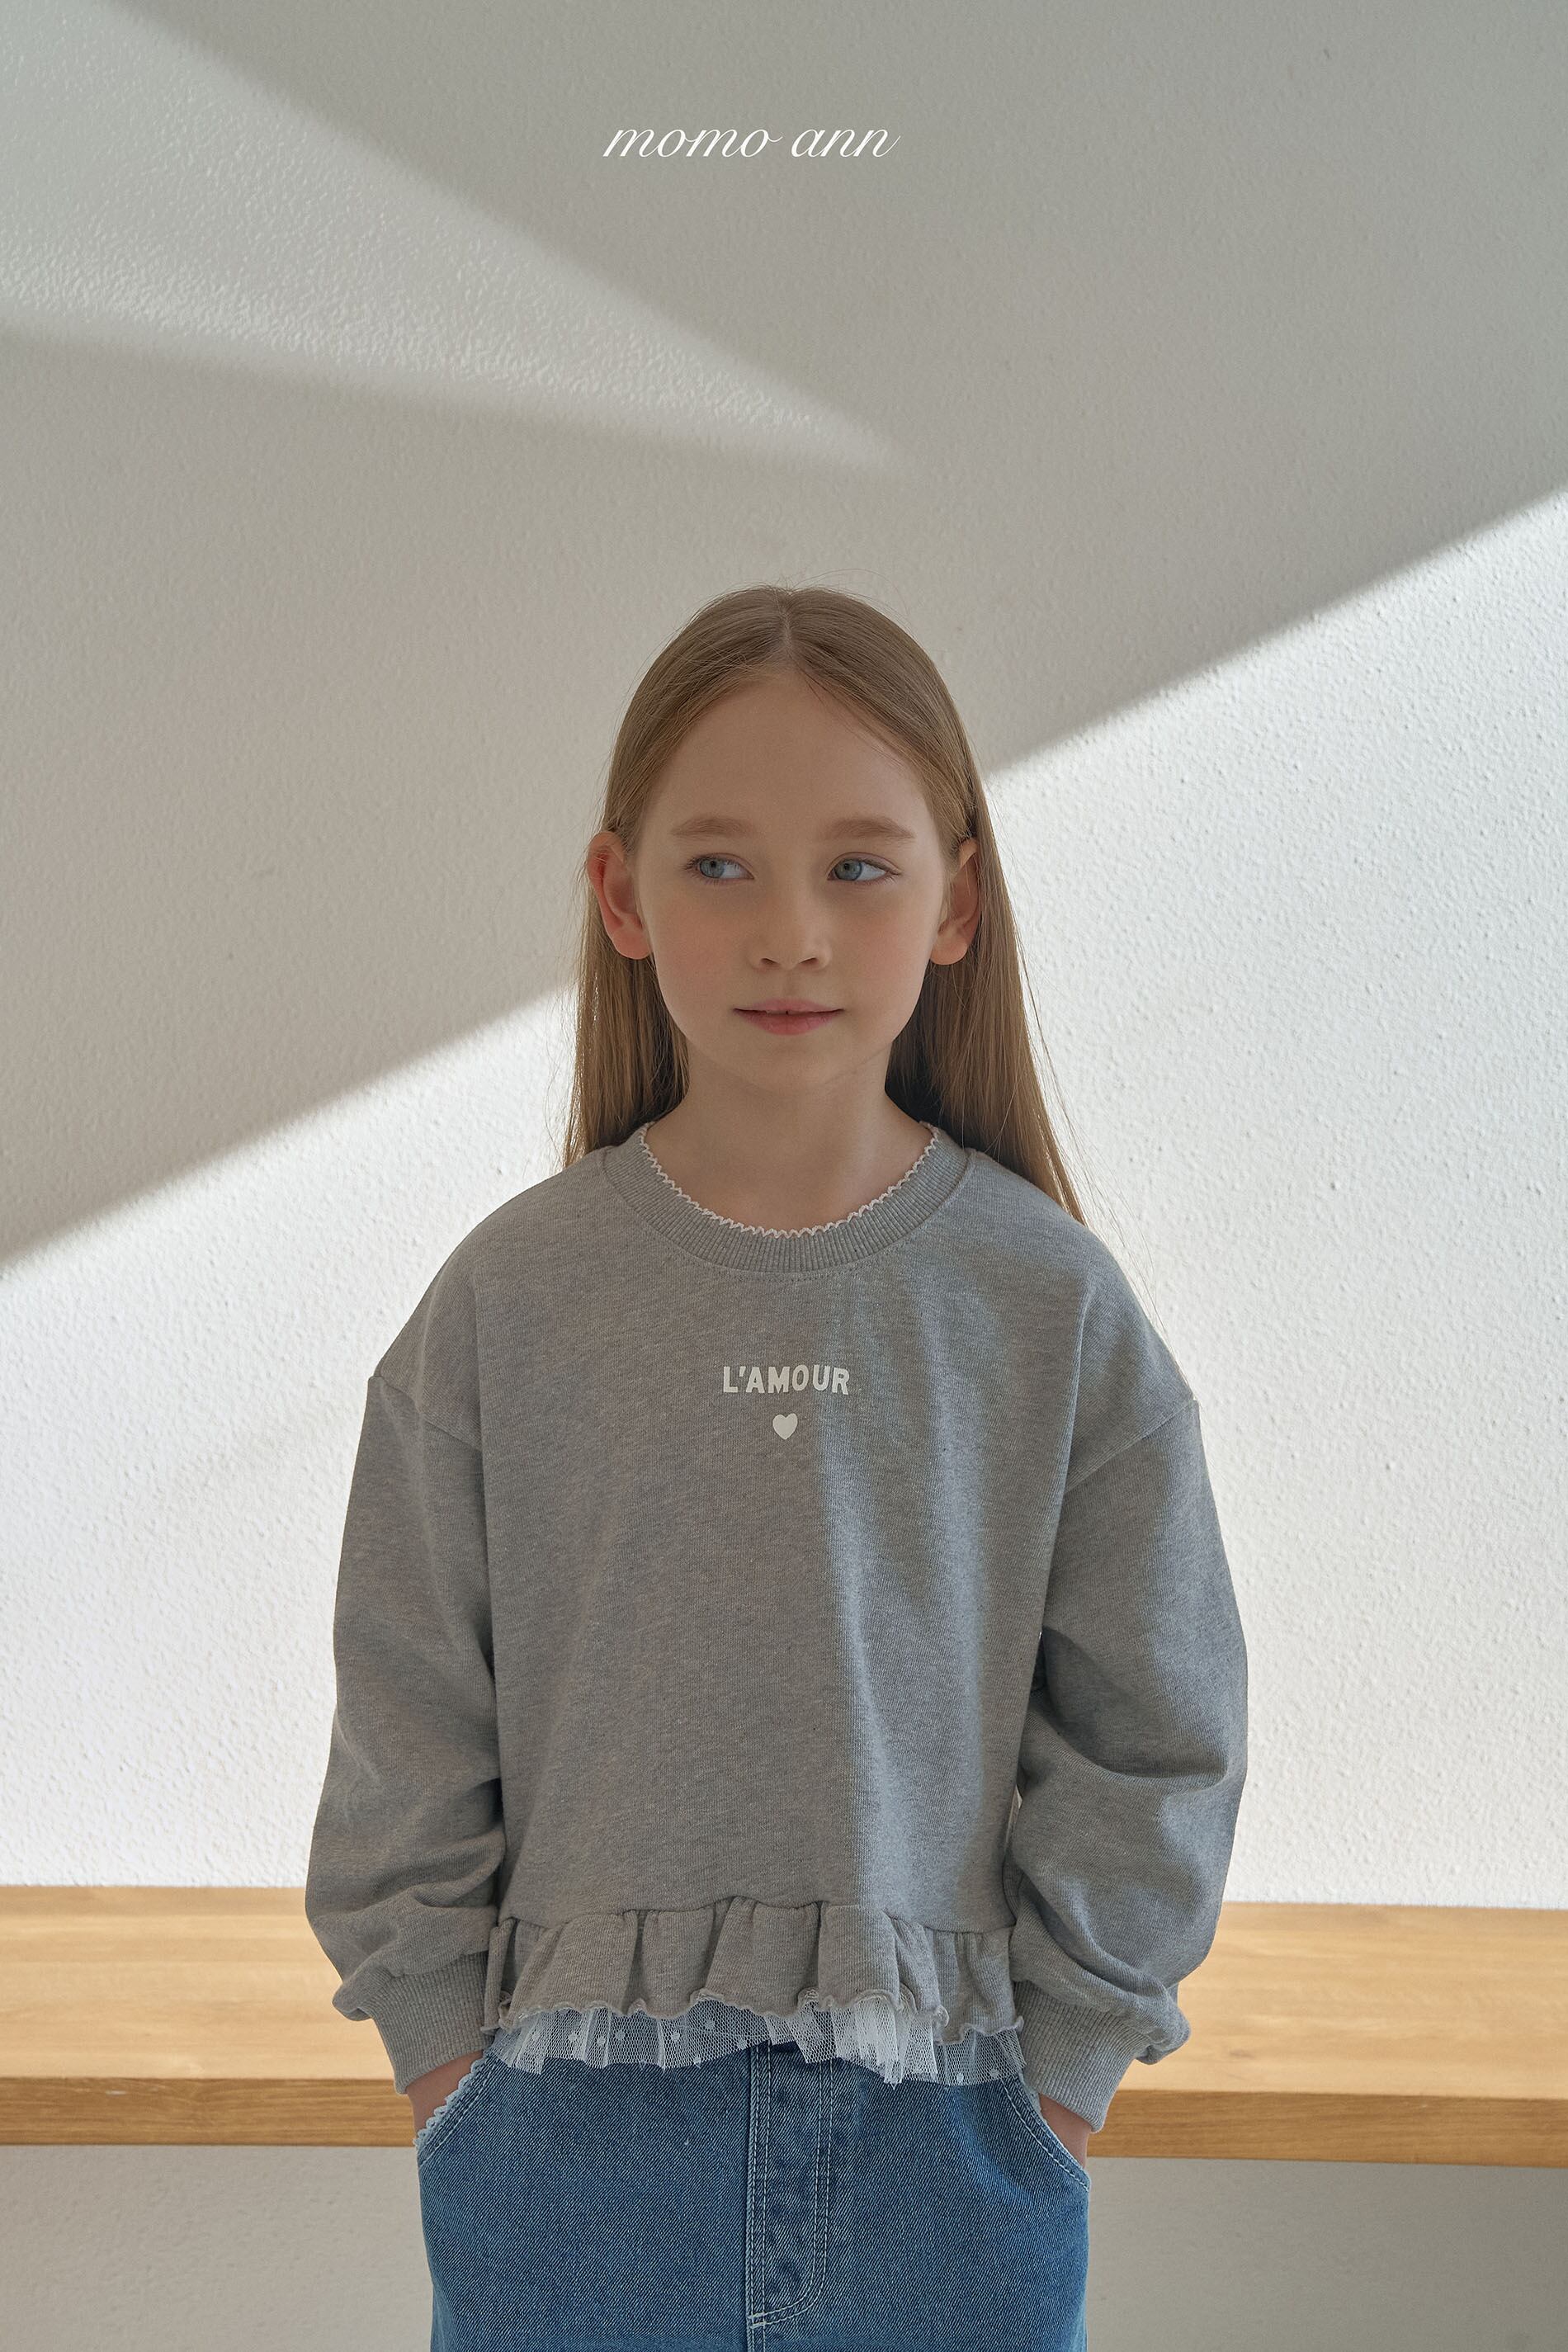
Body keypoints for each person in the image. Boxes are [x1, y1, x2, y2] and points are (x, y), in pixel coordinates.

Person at [305, 583, 1249, 2351]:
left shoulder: (1050, 1305)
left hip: (954, 2157)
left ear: (956, 901)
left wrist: (1053, 2089)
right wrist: (451, 2077)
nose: (790, 933)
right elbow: (407, 1710)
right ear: (621, 897)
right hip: (560, 2170)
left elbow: (1157, 1729)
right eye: (721, 865)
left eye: (859, 867)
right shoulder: (510, 1301)